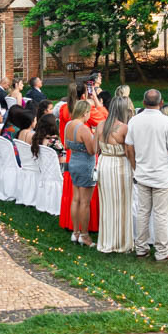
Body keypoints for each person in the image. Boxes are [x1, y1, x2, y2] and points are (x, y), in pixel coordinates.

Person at [125, 89, 168, 261]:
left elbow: (129, 148)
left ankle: (141, 248)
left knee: (143, 212)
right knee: (160, 214)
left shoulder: (134, 121)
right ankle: (162, 251)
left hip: (142, 173)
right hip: (161, 175)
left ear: (143, 103)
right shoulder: (167, 122)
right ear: (161, 102)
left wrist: (135, 167)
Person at [96, 96, 135, 254]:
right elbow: (129, 152)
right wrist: (135, 167)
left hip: (104, 164)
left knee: (106, 204)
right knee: (122, 204)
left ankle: (107, 240)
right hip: (120, 166)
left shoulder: (100, 125)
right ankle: (121, 242)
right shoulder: (124, 128)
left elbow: (95, 149)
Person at [65, 101, 98, 247]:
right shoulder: (84, 129)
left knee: (76, 199)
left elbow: (67, 145)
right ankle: (84, 235)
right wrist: (95, 137)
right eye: (89, 112)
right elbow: (92, 150)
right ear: (85, 113)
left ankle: (76, 232)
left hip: (73, 162)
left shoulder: (68, 125)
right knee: (85, 202)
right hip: (85, 165)